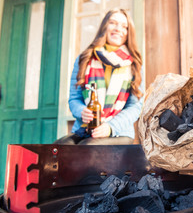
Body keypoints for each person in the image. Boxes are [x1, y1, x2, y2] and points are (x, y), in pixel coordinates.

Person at [54, 9, 144, 145]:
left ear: (128, 33)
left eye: (124, 26)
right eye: (113, 23)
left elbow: (135, 107)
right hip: (85, 128)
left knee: (88, 147)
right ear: (104, 27)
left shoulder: (133, 64)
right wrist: (81, 111)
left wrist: (110, 127)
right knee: (60, 147)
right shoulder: (85, 58)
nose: (118, 29)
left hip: (118, 131)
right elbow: (74, 99)